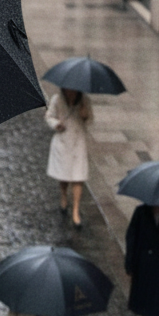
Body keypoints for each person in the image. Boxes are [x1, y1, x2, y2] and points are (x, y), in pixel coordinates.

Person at [45, 87, 92, 229]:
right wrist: (56, 124)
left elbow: (90, 121)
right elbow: (49, 116)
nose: (71, 92)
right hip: (63, 142)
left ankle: (75, 211)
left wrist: (85, 116)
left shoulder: (85, 101)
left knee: (78, 177)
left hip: (78, 143)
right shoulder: (57, 100)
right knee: (64, 176)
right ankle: (64, 196)